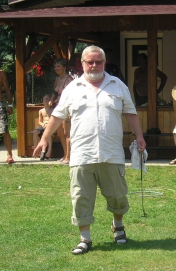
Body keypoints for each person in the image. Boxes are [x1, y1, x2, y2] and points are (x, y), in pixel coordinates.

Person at [33, 45, 146, 255]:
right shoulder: (72, 88)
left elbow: (131, 113)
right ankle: (85, 239)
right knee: (81, 196)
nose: (94, 65)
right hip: (81, 154)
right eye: (90, 62)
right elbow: (57, 116)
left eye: (98, 61)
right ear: (82, 63)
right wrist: (45, 138)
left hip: (111, 153)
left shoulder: (118, 85)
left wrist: (139, 136)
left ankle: (118, 227)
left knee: (117, 195)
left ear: (104, 63)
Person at [48, 58, 73, 164]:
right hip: (58, 107)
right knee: (60, 133)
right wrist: (51, 100)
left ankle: (69, 157)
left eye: (58, 66)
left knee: (67, 133)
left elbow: (71, 94)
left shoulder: (69, 79)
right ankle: (64, 154)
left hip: (67, 108)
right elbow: (55, 91)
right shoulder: (57, 79)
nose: (56, 68)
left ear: (64, 67)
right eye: (55, 66)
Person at [31, 94, 53, 160]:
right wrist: (42, 124)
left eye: (47, 99)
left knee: (47, 132)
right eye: (44, 99)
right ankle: (36, 149)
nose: (46, 100)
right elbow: (39, 121)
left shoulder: (53, 110)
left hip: (50, 125)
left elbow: (53, 119)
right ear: (43, 101)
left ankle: (49, 151)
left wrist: (48, 124)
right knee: (35, 132)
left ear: (50, 101)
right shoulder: (41, 111)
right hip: (43, 125)